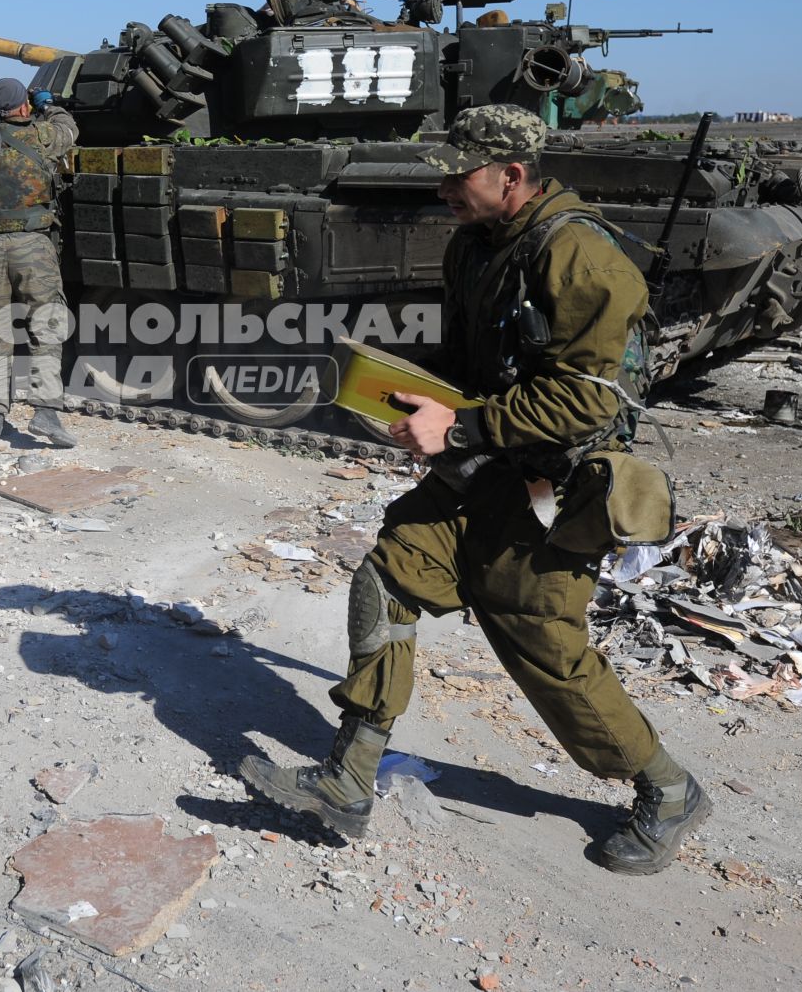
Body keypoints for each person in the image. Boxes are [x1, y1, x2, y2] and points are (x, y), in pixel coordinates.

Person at [240, 103, 709, 876]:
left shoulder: (583, 260)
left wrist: (455, 428)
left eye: (458, 179)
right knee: (387, 575)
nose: (445, 193)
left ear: (511, 175)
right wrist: (405, 391)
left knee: (545, 647)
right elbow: (468, 362)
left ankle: (669, 787)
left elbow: (589, 404)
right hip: (482, 466)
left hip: (551, 490)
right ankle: (350, 779)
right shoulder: (475, 245)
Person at [0, 76, 79, 447]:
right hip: (32, 244)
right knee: (46, 324)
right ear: (23, 106)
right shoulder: (41, 136)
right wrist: (47, 102)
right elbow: (69, 128)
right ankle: (45, 412)